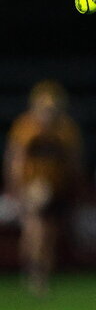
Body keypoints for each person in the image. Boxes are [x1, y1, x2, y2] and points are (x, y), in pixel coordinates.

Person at [3, 80, 84, 296]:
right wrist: (17, 189)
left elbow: (73, 161)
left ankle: (42, 276)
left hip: (57, 189)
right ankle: (34, 275)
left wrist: (73, 186)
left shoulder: (66, 130)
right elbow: (15, 159)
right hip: (31, 189)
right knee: (35, 230)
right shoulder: (26, 127)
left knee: (49, 235)